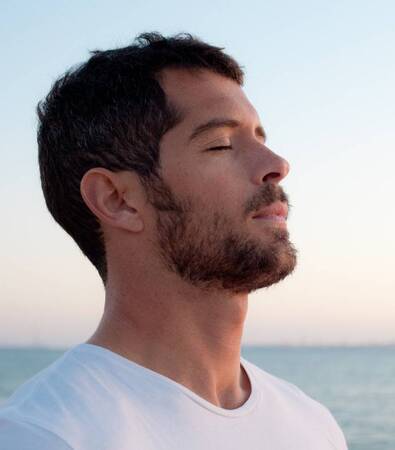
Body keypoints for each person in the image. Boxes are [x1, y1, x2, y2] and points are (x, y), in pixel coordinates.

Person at [0, 32, 348, 450]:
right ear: (118, 200)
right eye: (220, 144)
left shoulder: (311, 425)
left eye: (260, 138)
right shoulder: (46, 435)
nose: (277, 165)